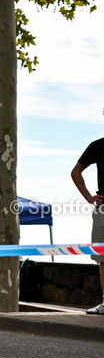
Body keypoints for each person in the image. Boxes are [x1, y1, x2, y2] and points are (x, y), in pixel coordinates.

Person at [72, 135, 104, 314]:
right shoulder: (98, 146)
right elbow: (75, 172)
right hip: (103, 209)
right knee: (102, 259)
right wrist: (89, 197)